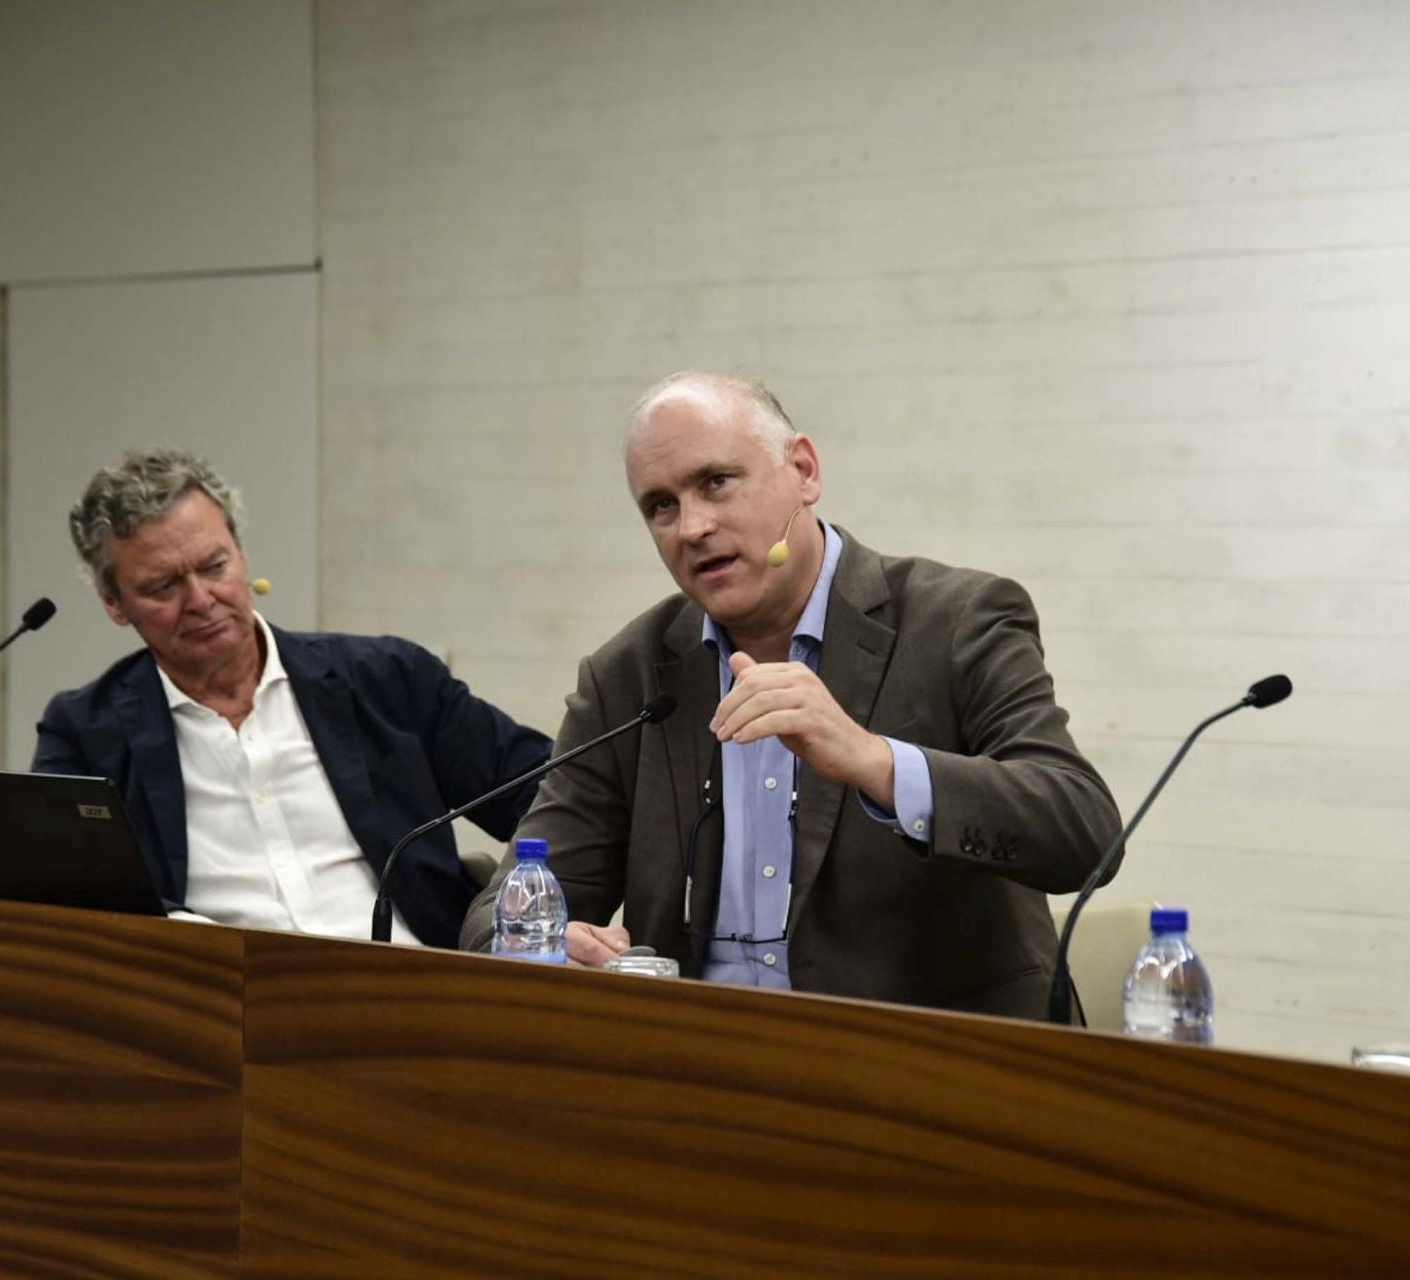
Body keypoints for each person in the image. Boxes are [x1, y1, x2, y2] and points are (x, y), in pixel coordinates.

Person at [459, 373, 1121, 1019]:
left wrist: (877, 762)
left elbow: (1083, 830)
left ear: (803, 470)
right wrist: (531, 944)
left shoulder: (956, 622)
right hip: (700, 1063)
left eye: (716, 482)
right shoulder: (629, 676)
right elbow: (503, 905)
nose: (691, 527)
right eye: (661, 506)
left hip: (926, 1061)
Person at [32, 448, 551, 948]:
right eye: (163, 587)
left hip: (410, 981)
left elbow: (555, 795)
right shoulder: (85, 732)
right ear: (114, 603)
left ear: (241, 555)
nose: (200, 600)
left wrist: (513, 919)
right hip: (219, 991)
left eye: (214, 567)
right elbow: (61, 886)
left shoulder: (388, 679)